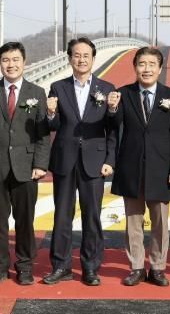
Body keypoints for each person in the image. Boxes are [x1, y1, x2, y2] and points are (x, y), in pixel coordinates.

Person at [106, 46, 170, 287]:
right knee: (133, 223)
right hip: (131, 167)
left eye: (152, 64)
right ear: (135, 67)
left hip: (161, 169)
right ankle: (137, 267)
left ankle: (158, 268)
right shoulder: (123, 94)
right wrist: (112, 108)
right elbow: (113, 125)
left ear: (160, 69)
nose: (147, 69)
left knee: (160, 223)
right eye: (142, 64)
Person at [42, 38, 117, 287]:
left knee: (92, 215)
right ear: (69, 58)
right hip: (65, 158)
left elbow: (114, 128)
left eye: (86, 55)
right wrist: (50, 112)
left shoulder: (106, 88)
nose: (81, 59)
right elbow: (53, 125)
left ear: (93, 58)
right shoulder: (58, 87)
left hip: (94, 160)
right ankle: (61, 266)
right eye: (76, 55)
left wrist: (110, 159)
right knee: (62, 215)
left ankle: (90, 267)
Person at [0, 42, 50, 285]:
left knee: (25, 221)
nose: (11, 64)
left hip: (26, 167)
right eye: (6, 60)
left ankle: (25, 266)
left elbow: (42, 133)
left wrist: (40, 164)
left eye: (16, 59)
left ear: (24, 62)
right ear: (0, 63)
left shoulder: (36, 92)